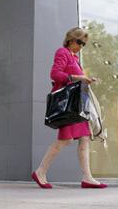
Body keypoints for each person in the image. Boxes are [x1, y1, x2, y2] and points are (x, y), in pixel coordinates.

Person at [31, 27, 107, 189]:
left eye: (84, 44)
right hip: (68, 105)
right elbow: (55, 74)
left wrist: (86, 80)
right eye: (80, 42)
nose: (81, 46)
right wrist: (78, 77)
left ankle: (87, 177)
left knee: (85, 139)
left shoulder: (75, 57)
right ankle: (40, 171)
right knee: (64, 140)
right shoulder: (62, 52)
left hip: (77, 106)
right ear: (71, 39)